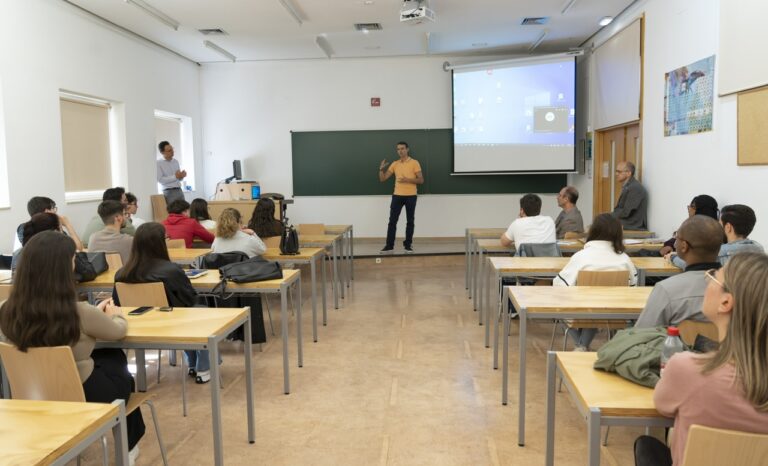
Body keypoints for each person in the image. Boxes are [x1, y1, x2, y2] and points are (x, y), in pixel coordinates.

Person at [0, 231, 145, 461]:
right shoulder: (78, 312)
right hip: (85, 395)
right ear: (63, 268)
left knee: (109, 360)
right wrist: (116, 315)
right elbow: (118, 331)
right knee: (117, 360)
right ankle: (128, 447)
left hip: (31, 393)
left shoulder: (5, 309)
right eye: (73, 258)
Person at [634, 253, 768, 466]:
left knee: (647, 445)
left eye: (714, 276)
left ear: (726, 302)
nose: (707, 280)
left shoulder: (687, 369)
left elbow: (663, 405)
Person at [114, 223, 212, 383]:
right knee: (201, 312)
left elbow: (117, 302)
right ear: (160, 243)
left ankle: (194, 364)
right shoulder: (171, 270)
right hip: (170, 324)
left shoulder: (121, 273)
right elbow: (188, 298)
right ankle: (202, 367)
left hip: (135, 325)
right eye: (167, 238)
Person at [553, 214, 638, 350]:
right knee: (595, 308)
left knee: (559, 304)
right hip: (617, 314)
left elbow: (559, 285)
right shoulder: (624, 258)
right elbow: (634, 285)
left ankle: (581, 346)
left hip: (583, 312)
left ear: (593, 231)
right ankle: (583, 345)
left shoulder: (581, 256)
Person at [635, 215, 724, 327]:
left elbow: (642, 334)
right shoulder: (741, 288)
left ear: (684, 246)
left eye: (676, 237)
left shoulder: (666, 289)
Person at [378, 141, 424, 254]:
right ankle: (389, 246)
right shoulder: (395, 164)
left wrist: (408, 180)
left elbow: (421, 180)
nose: (400, 151)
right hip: (397, 196)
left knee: (410, 221)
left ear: (407, 149)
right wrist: (381, 169)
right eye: (398, 149)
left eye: (402, 148)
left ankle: (408, 245)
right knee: (392, 221)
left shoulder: (414, 163)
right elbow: (383, 179)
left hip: (411, 196)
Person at [12, 196, 82, 252]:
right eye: (53, 208)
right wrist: (67, 224)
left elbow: (78, 249)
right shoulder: (52, 230)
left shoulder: (23, 228)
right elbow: (76, 249)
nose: (55, 211)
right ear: (47, 211)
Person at [88, 200, 134, 265]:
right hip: (123, 275)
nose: (126, 217)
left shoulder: (92, 238)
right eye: (124, 214)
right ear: (118, 218)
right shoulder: (129, 241)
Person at [611, 161, 648, 230]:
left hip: (633, 225)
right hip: (626, 222)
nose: (616, 174)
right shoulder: (628, 186)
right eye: (616, 171)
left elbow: (626, 212)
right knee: (600, 221)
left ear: (628, 173)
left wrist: (610, 216)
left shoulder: (635, 187)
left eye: (619, 172)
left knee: (601, 224)